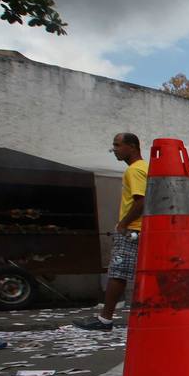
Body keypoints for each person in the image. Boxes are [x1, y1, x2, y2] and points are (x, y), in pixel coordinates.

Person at [77, 133, 147, 330]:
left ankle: (105, 319)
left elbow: (141, 201)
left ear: (132, 146)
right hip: (142, 229)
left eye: (117, 145)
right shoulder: (146, 167)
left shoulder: (134, 170)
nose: (114, 149)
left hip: (133, 230)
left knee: (117, 273)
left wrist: (123, 224)